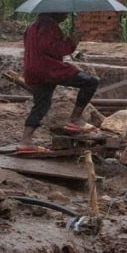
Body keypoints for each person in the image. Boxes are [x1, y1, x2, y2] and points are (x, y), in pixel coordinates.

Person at [18, 12, 101, 154]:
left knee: (42, 104)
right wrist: (72, 41)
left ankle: (26, 141)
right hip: (49, 69)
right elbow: (56, 50)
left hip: (33, 70)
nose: (66, 16)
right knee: (90, 82)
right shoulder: (49, 26)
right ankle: (75, 119)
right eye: (64, 13)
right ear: (56, 12)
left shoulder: (32, 26)